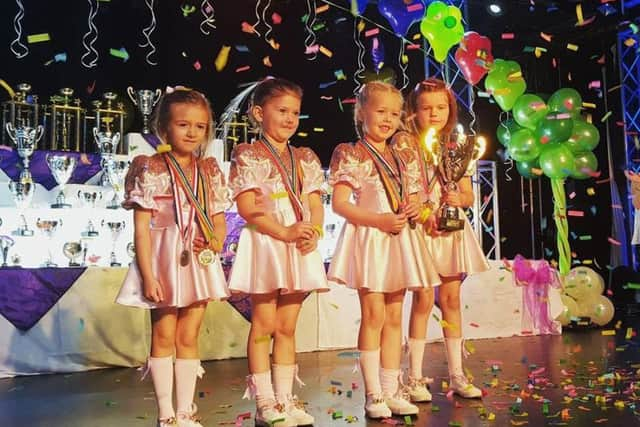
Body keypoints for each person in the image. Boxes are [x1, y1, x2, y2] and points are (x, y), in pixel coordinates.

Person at [117, 88, 230, 427]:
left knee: (189, 336)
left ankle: (186, 410)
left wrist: (215, 241)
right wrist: (148, 275)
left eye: (199, 126)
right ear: (164, 128)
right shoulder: (149, 168)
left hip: (197, 261)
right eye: (183, 124)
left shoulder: (208, 170)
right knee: (164, 334)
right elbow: (141, 230)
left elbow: (220, 219)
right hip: (163, 259)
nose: (192, 132)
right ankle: (166, 413)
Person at [328, 81, 440, 419]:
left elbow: (418, 197)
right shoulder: (351, 153)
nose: (388, 119)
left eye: (394, 113)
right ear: (361, 112)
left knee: (394, 316)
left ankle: (391, 390)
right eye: (380, 111)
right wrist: (379, 220)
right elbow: (340, 204)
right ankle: (373, 394)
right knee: (374, 315)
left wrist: (416, 208)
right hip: (373, 238)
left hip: (400, 238)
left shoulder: (403, 154)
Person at [227, 77, 328, 427]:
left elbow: (316, 203)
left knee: (287, 326)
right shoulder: (248, 154)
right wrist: (284, 230)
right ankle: (264, 403)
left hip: (298, 242)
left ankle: (285, 400)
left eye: (295, 113)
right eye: (281, 110)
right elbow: (247, 208)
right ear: (258, 113)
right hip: (268, 242)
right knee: (264, 324)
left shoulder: (306, 157)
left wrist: (312, 230)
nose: (289, 118)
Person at [395, 78, 489, 402]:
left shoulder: (454, 145)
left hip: (449, 230)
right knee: (422, 300)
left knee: (450, 301)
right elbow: (404, 191)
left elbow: (468, 195)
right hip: (422, 227)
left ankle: (458, 375)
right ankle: (415, 377)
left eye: (441, 107)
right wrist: (426, 214)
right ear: (414, 111)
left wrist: (457, 198)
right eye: (426, 108)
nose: (434, 113)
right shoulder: (404, 145)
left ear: (450, 110)